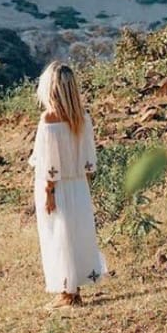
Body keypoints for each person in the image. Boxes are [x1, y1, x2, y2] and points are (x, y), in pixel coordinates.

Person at [29, 60, 106, 309]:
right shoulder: (81, 118)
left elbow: (48, 163)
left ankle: (67, 293)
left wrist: (49, 194)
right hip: (78, 185)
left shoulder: (49, 120)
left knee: (57, 237)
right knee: (76, 235)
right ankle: (74, 290)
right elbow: (88, 159)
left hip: (58, 187)